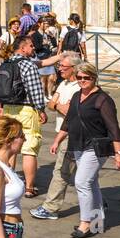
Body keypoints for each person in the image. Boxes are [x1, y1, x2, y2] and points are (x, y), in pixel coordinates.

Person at [48, 62, 120, 238]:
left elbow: (114, 127)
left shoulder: (103, 99)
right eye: (79, 78)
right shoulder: (76, 95)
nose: (82, 81)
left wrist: (119, 153)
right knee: (91, 183)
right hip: (78, 144)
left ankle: (86, 223)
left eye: (86, 78)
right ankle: (97, 222)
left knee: (82, 182)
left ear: (94, 78)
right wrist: (57, 140)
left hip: (96, 146)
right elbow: (69, 120)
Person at [0, 31, 61, 197]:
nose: (33, 48)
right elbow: (35, 90)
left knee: (9, 147)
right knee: (29, 149)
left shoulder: (6, 63)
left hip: (9, 109)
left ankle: (9, 181)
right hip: (26, 110)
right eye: (31, 46)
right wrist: (41, 109)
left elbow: (0, 87)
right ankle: (29, 188)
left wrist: (0, 106)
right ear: (23, 48)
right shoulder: (28, 66)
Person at [31, 52, 83, 221]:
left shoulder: (79, 88)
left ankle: (50, 208)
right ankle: (98, 202)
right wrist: (59, 105)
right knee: (83, 174)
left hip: (72, 134)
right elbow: (51, 104)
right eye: (59, 66)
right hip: (62, 130)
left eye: (63, 67)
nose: (59, 69)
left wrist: (58, 105)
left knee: (61, 171)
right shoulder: (64, 84)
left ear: (74, 69)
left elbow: (69, 111)